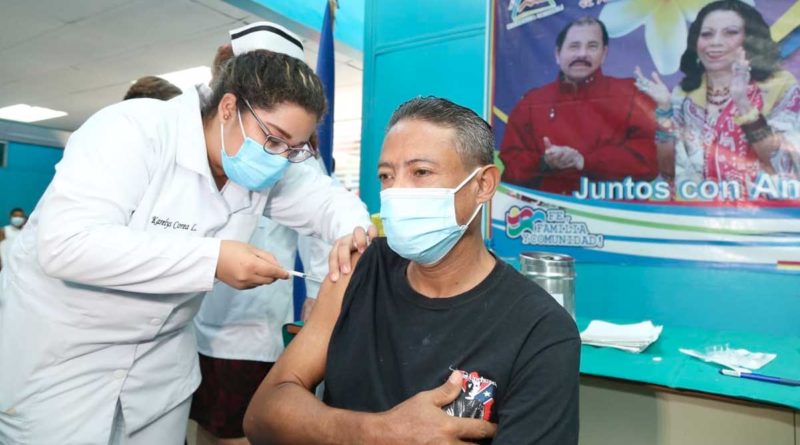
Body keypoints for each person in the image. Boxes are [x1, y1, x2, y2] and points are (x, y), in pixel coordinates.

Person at [0, 47, 370, 443]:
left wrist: (354, 230)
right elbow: (67, 244)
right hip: (61, 364)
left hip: (158, 374)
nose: (282, 160)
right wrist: (212, 258)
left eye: (294, 148)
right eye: (275, 140)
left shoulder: (271, 164)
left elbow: (328, 199)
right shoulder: (132, 131)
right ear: (228, 108)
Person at [244, 97, 580, 445]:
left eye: (420, 172)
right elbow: (262, 415)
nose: (397, 191)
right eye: (386, 176)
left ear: (483, 185)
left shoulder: (540, 329)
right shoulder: (358, 270)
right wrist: (377, 433)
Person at [189, 22, 334, 445]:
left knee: (240, 431)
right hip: (191, 323)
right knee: (205, 427)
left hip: (248, 327)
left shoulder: (293, 156)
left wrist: (317, 299)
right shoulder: (200, 145)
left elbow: (321, 230)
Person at [634, 0, 800, 193]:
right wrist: (664, 110)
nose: (715, 42)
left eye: (730, 33)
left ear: (750, 40)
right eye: (706, 34)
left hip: (762, 216)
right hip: (699, 212)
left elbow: (786, 166)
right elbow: (668, 173)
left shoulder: (779, 85)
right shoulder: (685, 93)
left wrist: (743, 104)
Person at [499, 17, 658, 195]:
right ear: (557, 54)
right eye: (574, 46)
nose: (582, 54)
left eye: (592, 46)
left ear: (604, 53)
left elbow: (648, 161)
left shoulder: (631, 95)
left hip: (613, 215)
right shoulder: (532, 103)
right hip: (549, 217)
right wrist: (544, 162)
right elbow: (511, 166)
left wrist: (584, 161)